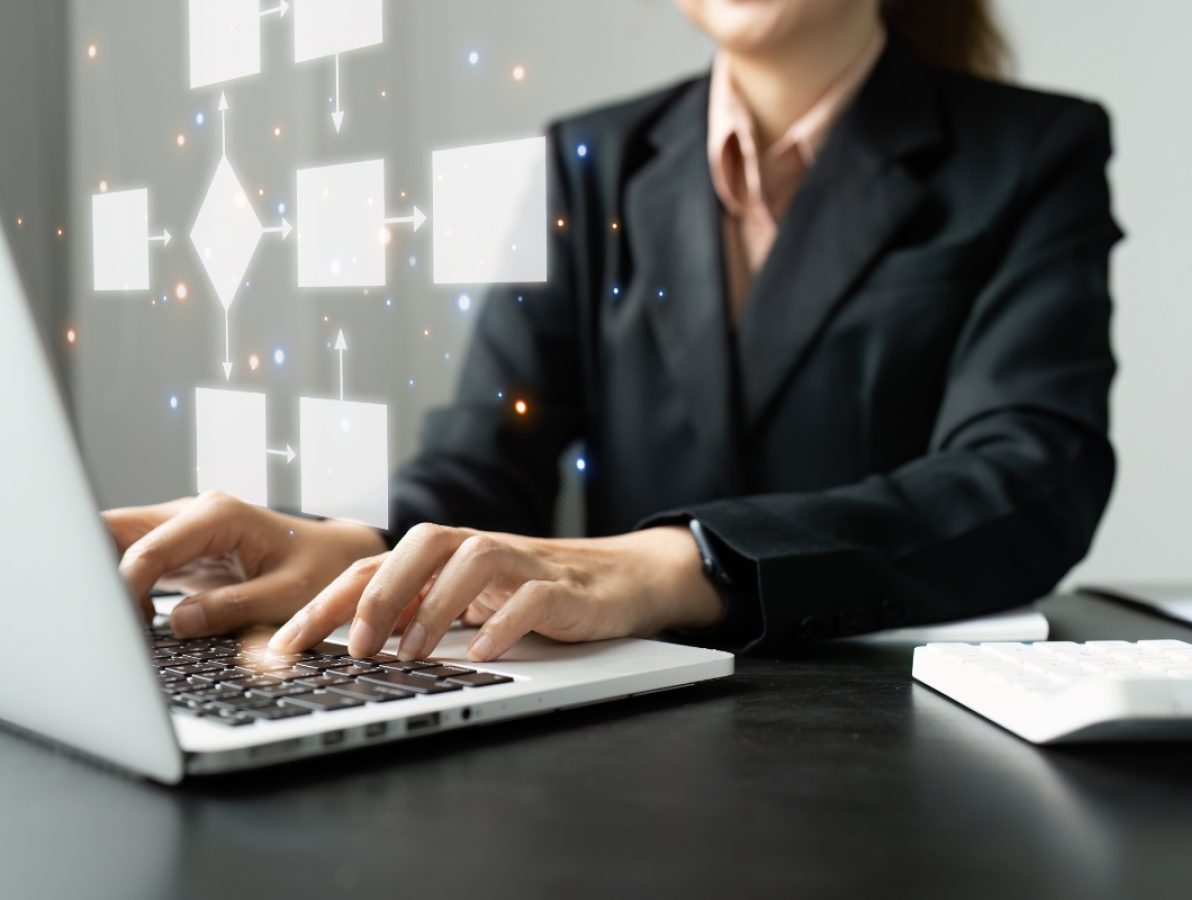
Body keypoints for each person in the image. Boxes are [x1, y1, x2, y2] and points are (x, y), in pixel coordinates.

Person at [105, 0, 1120, 663]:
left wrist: (670, 566)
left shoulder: (1031, 153)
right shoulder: (587, 161)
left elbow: (1029, 474)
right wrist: (351, 545)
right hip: (627, 727)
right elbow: (484, 463)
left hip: (900, 734)